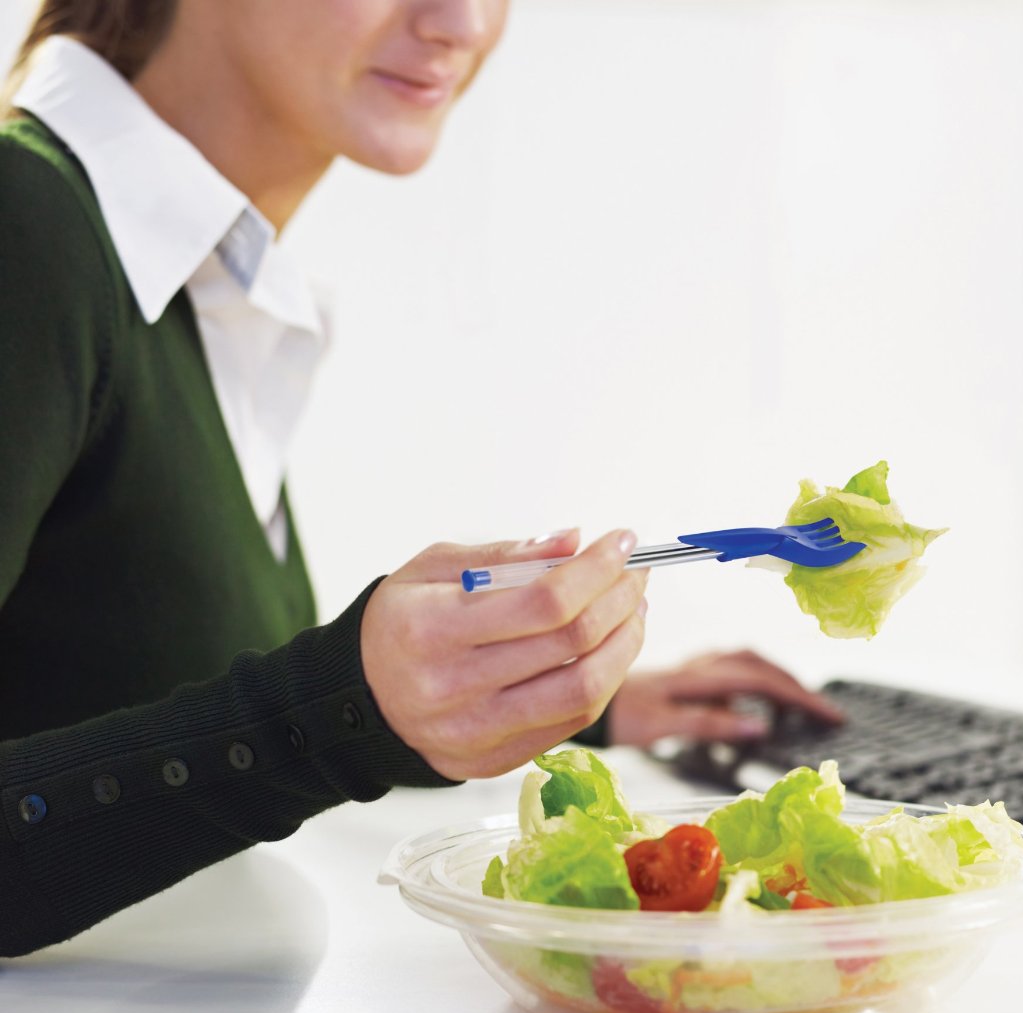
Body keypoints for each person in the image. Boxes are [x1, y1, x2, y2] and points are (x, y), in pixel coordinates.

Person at [0, 0, 842, 958]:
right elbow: (276, 728)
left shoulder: (188, 281)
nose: (463, 23)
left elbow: (118, 716)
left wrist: (522, 698)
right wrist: (344, 708)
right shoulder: (24, 227)